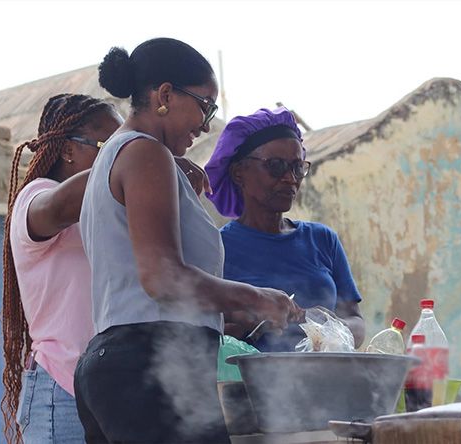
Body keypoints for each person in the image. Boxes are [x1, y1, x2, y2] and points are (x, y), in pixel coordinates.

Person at [75, 38, 303, 443]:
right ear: (165, 94)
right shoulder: (146, 154)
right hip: (150, 364)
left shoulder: (123, 154)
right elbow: (163, 278)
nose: (206, 122)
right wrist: (257, 298)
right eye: (205, 105)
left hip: (125, 363)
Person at [1, 93, 123, 443]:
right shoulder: (37, 197)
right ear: (69, 150)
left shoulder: (106, 211)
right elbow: (59, 206)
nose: (121, 156)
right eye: (110, 146)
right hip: (62, 391)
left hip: (107, 394)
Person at [205, 107, 365, 351]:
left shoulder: (322, 240)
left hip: (325, 382)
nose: (291, 178)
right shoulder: (218, 248)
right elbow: (202, 334)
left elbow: (356, 321)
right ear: (239, 173)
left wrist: (325, 332)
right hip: (248, 385)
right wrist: (249, 324)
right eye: (276, 166)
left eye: (298, 167)